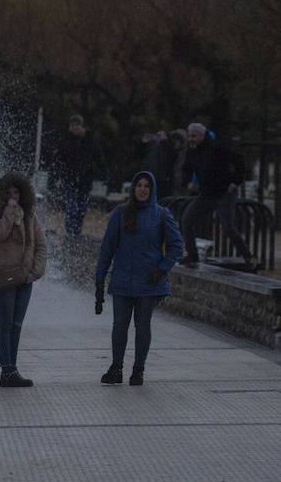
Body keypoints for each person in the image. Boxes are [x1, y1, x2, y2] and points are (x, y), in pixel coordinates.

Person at [95, 171, 183, 386]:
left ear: (151, 190)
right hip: (123, 281)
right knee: (119, 326)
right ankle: (116, 367)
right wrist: (99, 279)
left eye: (146, 186)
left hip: (149, 283)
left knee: (143, 326)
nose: (142, 189)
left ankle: (138, 369)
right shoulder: (121, 213)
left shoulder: (161, 215)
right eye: (139, 185)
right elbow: (107, 248)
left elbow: (176, 246)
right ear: (133, 189)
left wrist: (162, 269)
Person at [0, 171, 47, 387]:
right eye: (9, 194)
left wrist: (35, 271)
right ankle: (7, 370)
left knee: (16, 324)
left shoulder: (31, 218)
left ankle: (12, 369)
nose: (13, 197)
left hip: (25, 278)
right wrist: (9, 214)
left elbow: (40, 245)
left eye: (17, 193)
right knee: (5, 324)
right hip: (3, 277)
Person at [179, 122, 254, 268]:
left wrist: (236, 181)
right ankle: (192, 255)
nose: (191, 139)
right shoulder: (192, 151)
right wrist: (187, 181)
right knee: (187, 219)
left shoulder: (217, 147)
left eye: (193, 136)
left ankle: (248, 257)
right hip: (207, 193)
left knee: (228, 227)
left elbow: (238, 160)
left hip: (225, 192)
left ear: (201, 135)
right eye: (189, 136)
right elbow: (186, 168)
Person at [51, 114, 105, 236]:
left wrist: (102, 174)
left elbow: (99, 158)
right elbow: (57, 160)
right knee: (71, 208)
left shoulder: (91, 141)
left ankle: (76, 232)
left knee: (81, 209)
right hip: (69, 180)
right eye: (72, 125)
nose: (74, 128)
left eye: (77, 125)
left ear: (82, 127)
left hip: (85, 182)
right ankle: (71, 233)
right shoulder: (65, 141)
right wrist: (55, 177)